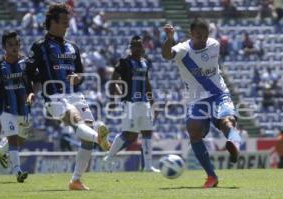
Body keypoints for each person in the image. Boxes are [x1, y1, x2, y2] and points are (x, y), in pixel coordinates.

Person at [25, 3, 110, 191]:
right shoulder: (40, 47)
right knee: (77, 122)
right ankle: (100, 139)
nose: (68, 25)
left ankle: (76, 180)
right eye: (64, 22)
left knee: (86, 137)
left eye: (68, 21)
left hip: (76, 95)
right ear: (53, 22)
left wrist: (77, 77)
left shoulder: (73, 47)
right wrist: (31, 92)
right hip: (54, 97)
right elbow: (31, 74)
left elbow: (80, 74)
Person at [162, 19, 242, 188]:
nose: (202, 39)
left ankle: (234, 144)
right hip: (197, 99)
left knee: (227, 121)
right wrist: (169, 38)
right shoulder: (183, 49)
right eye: (198, 35)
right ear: (191, 33)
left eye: (205, 36)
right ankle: (211, 176)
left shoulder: (214, 44)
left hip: (218, 93)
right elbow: (167, 55)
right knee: (193, 130)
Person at [103, 35, 159, 172]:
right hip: (131, 103)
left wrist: (152, 102)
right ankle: (109, 157)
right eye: (135, 45)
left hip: (144, 102)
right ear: (131, 47)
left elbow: (147, 83)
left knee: (147, 132)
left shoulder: (145, 62)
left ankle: (147, 166)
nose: (139, 48)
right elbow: (114, 80)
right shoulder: (124, 62)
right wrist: (114, 98)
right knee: (129, 134)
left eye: (140, 45)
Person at [0, 31, 35, 183]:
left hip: (24, 108)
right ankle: (18, 171)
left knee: (20, 139)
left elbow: (34, 82)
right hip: (6, 109)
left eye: (17, 43)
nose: (14, 47)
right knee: (13, 139)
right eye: (10, 44)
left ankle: (2, 149)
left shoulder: (27, 63)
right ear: (4, 46)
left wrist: (31, 94)